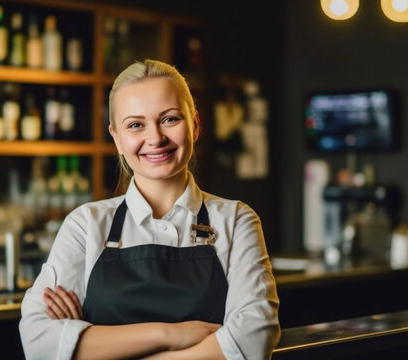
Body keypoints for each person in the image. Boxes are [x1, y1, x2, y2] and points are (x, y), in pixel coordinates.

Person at [19, 59, 280, 360]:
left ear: (195, 125)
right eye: (135, 125)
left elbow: (253, 337)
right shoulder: (86, 224)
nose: (155, 138)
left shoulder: (236, 220)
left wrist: (92, 346)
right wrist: (170, 334)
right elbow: (39, 343)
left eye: (169, 119)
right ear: (116, 138)